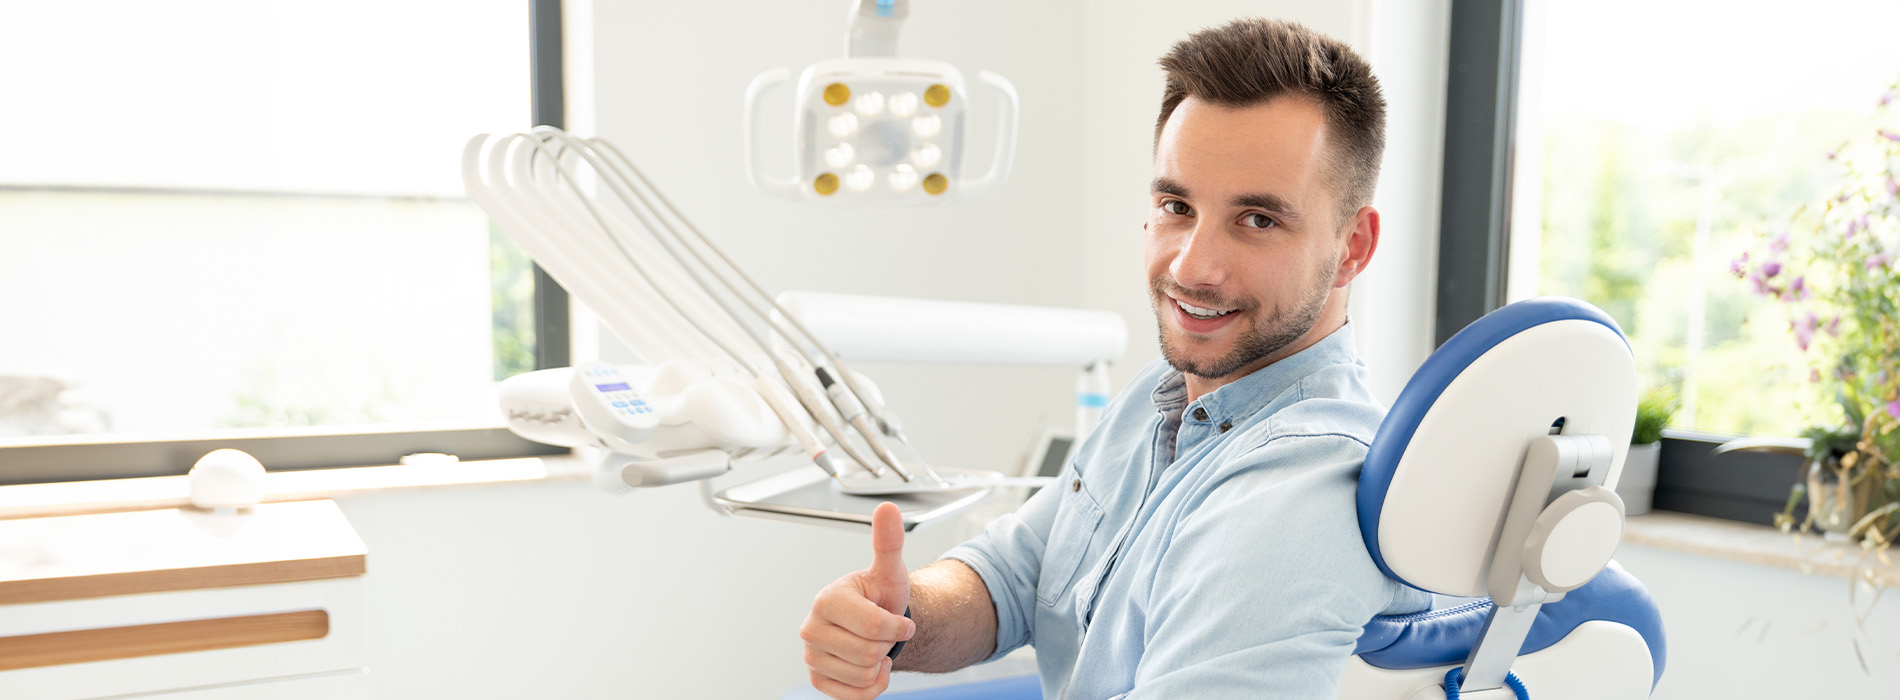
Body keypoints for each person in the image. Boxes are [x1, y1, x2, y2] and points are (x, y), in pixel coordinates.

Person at [800, 17, 1432, 699]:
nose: (1193, 267)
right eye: (1177, 205)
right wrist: (898, 619)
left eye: (1258, 220)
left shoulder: (1301, 489)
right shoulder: (1160, 398)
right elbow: (1018, 577)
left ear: (1353, 249)